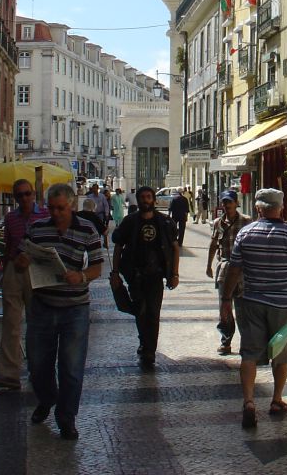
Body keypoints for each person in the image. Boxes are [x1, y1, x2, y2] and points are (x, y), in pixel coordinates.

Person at [14, 183, 105, 441]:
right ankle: (47, 397)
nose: (56, 213)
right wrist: (21, 262)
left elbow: (98, 266)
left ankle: (66, 417)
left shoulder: (87, 229)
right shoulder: (38, 229)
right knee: (37, 364)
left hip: (75, 307)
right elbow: (22, 258)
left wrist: (82, 275)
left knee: (71, 367)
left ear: (72, 205)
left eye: (61, 208)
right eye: (52, 208)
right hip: (42, 304)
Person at [220, 188, 287, 430]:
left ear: (258, 208)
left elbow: (234, 269)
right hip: (283, 304)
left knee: (248, 353)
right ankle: (277, 399)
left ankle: (249, 402)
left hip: (250, 302)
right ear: (280, 208)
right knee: (281, 353)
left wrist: (226, 299)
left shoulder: (245, 233)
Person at [110, 186, 180, 368]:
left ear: (154, 200)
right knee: (140, 311)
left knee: (153, 314)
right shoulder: (130, 222)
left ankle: (150, 351)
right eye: (142, 197)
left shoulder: (165, 222)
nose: (146, 200)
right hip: (135, 275)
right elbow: (118, 246)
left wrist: (174, 274)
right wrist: (115, 273)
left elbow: (174, 248)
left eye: (149, 197)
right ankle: (144, 342)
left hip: (156, 276)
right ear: (138, 200)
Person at [0, 180, 49, 391]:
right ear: (15, 198)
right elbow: (8, 245)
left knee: (37, 323)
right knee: (10, 322)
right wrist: (5, 271)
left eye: (26, 194)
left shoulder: (44, 215)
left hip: (36, 272)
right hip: (14, 270)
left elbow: (48, 245)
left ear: (33, 194)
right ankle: (9, 373)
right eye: (19, 195)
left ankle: (37, 370)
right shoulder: (11, 218)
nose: (24, 198)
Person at [205, 190, 249, 355]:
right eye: (224, 202)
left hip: (244, 271)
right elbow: (213, 243)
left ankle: (247, 343)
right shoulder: (218, 222)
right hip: (224, 269)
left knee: (243, 308)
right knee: (224, 307)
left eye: (230, 202)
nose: (227, 205)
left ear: (236, 203)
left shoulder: (246, 221)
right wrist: (209, 265)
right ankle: (226, 341)